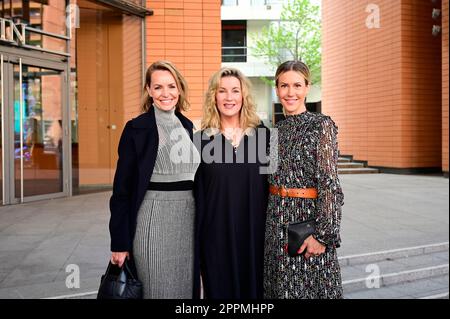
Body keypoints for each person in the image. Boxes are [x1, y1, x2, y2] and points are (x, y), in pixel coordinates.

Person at [109, 60, 200, 298]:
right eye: (158, 87)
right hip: (153, 219)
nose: (165, 93)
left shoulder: (188, 126)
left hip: (188, 221)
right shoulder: (136, 128)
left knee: (184, 291)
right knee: (156, 289)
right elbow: (121, 190)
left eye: (171, 86)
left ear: (179, 89)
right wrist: (119, 242)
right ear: (149, 91)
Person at [263, 60, 344, 299]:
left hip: (306, 226)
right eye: (284, 86)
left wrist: (323, 235)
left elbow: (329, 183)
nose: (290, 92)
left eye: (297, 85)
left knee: (308, 289)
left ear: (307, 87)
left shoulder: (322, 125)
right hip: (275, 224)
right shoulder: (275, 132)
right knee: (279, 290)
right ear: (277, 89)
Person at [193, 67, 270, 299]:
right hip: (216, 237)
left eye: (235, 91)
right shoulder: (200, 140)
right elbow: (195, 193)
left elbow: (276, 188)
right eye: (222, 91)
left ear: (243, 96)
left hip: (256, 235)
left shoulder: (265, 135)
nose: (229, 97)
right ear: (213, 97)